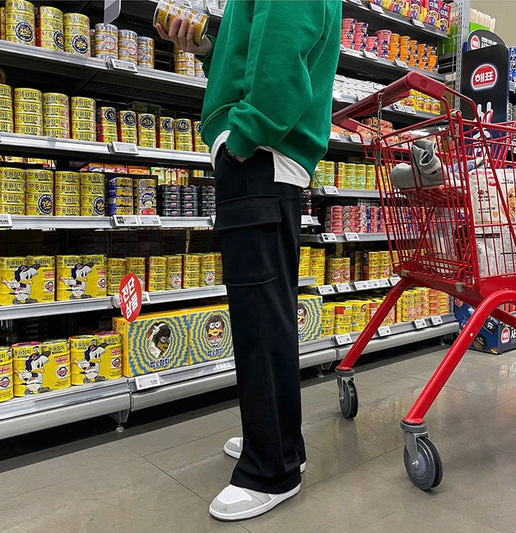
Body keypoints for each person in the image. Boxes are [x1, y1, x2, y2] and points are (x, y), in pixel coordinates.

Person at [157, 0, 342, 521]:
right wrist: (211, 47)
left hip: (260, 155)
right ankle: (278, 440)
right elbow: (261, 42)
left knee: (259, 318)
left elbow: (285, 38)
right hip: (266, 158)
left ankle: (271, 470)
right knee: (268, 313)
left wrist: (247, 132)